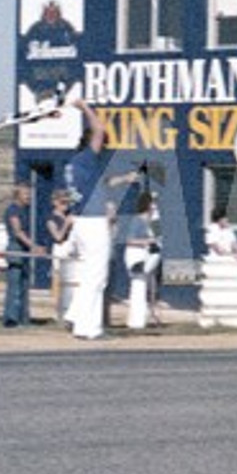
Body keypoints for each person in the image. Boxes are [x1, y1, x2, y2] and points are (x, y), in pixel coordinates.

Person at [62, 99, 137, 340]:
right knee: (97, 277)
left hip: (81, 220)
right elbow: (100, 129)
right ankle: (89, 328)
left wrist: (125, 179)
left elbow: (101, 185)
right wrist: (84, 108)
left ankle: (76, 317)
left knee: (88, 275)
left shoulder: (74, 165)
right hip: (93, 222)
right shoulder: (88, 158)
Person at [3, 184, 45, 327]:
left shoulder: (26, 210)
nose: (29, 197)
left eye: (29, 194)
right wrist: (34, 246)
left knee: (24, 285)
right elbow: (18, 231)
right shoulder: (13, 210)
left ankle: (23, 318)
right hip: (16, 248)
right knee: (14, 285)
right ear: (17, 195)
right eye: (26, 194)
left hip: (25, 249)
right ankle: (11, 318)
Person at [122, 192, 161, 330]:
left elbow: (158, 239)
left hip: (147, 255)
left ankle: (140, 319)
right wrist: (147, 241)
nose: (155, 205)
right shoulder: (137, 220)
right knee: (138, 287)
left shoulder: (153, 222)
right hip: (136, 256)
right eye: (153, 202)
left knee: (143, 287)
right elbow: (129, 240)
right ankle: (136, 321)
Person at [46, 190, 74, 319]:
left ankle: (70, 309)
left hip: (71, 249)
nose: (65, 205)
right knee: (59, 281)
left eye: (67, 203)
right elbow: (58, 237)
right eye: (63, 202)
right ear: (55, 203)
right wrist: (66, 225)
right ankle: (59, 311)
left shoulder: (69, 215)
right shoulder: (52, 219)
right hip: (60, 249)